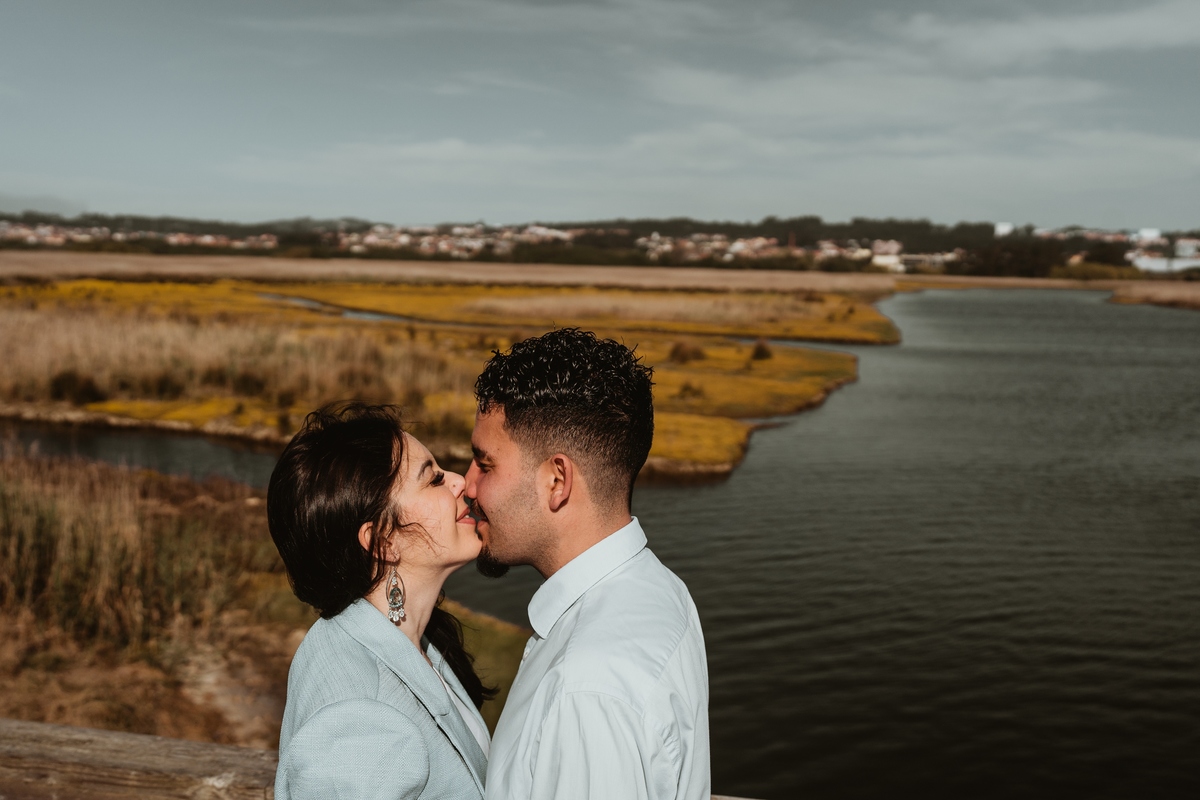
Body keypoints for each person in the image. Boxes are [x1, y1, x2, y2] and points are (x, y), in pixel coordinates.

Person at [466, 328, 710, 800]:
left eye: (485, 463)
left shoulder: (585, 692)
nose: (467, 485)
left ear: (557, 480)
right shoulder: (661, 588)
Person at [267, 402, 493, 800]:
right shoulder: (357, 714)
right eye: (434, 479)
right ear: (383, 541)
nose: (460, 481)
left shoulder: (411, 639)